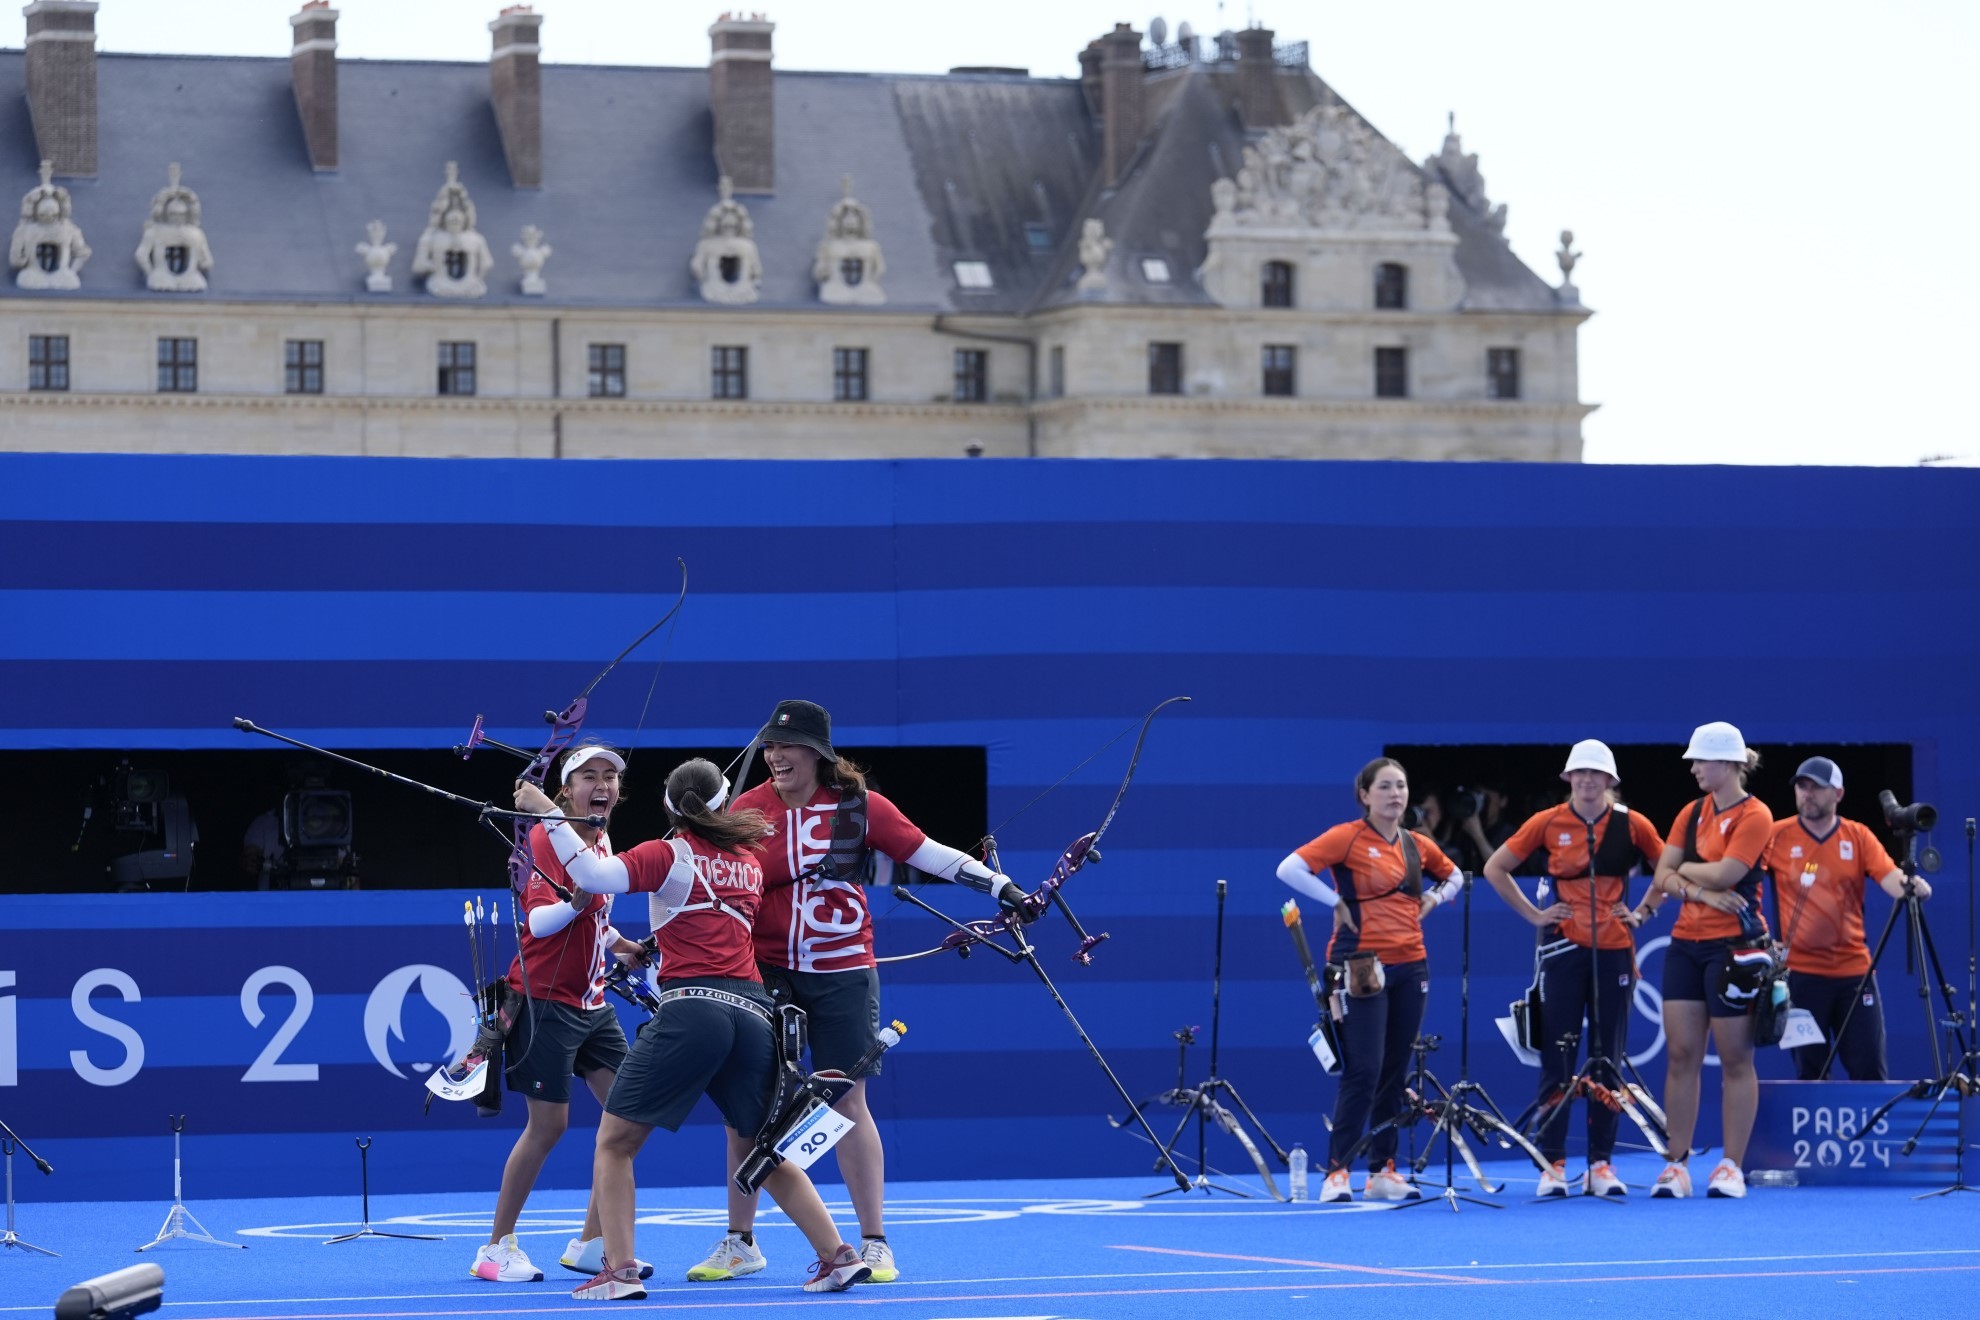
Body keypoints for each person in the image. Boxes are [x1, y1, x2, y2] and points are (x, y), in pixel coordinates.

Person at [692, 699, 1032, 1286]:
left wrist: (1000, 885)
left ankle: (874, 1243)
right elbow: (697, 870)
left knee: (848, 1103)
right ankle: (739, 1242)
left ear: (817, 753)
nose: (775, 755)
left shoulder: (861, 806)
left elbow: (931, 855)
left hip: (844, 971)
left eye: (787, 745)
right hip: (765, 971)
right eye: (770, 746)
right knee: (747, 1106)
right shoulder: (748, 811)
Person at [518, 756, 874, 1299]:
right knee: (764, 1147)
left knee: (614, 1143)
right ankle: (838, 1256)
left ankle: (619, 1271)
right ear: (723, 804)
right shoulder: (749, 858)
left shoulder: (666, 854)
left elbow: (589, 877)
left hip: (693, 1012)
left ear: (669, 806)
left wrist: (546, 811)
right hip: (754, 1015)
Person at [472, 747, 649, 1284]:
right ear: (566, 791)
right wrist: (575, 903)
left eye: (611, 776)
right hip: (544, 1001)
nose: (602, 784)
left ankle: (594, 1244)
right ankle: (495, 1247)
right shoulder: (547, 839)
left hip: (593, 1005)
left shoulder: (599, 840)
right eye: (589, 776)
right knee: (549, 1126)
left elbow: (596, 919)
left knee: (628, 1117)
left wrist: (624, 945)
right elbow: (539, 922)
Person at [1481, 740, 1665, 1197]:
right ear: (1568, 780)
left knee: (1608, 1057)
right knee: (1557, 1057)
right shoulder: (1548, 822)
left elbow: (1670, 870)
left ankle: (1601, 1166)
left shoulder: (1632, 823)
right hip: (1562, 949)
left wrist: (1642, 913)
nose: (1586, 780)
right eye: (1578, 773)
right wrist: (1535, 915)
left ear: (1609, 780)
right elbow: (1495, 867)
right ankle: (1552, 1165)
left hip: (1616, 948)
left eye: (1595, 773)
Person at [1276, 757, 1464, 1203]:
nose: (1395, 794)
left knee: (1395, 1070)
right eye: (1384, 787)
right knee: (1363, 1069)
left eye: (1400, 786)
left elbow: (1455, 875)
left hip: (1411, 963)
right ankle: (1336, 1172)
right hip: (1360, 965)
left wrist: (1436, 898)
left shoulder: (1417, 844)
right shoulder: (1348, 837)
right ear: (1364, 795)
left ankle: (1383, 1170)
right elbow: (1289, 868)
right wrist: (1335, 902)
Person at [1633, 721, 1773, 1200]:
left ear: (1728, 764)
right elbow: (1663, 875)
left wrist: (1683, 874)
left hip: (1734, 948)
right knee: (1681, 1055)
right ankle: (1677, 1164)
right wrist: (1696, 890)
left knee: (1736, 1057)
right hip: (1685, 945)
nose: (1693, 769)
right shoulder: (1690, 813)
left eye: (1701, 761)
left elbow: (1728, 872)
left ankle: (1731, 1166)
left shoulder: (1757, 815)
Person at [1763, 756, 1925, 1081]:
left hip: (1854, 975)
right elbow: (1743, 877)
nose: (1807, 794)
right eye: (1802, 787)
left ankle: (1873, 1134)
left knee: (1869, 1071)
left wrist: (1909, 886)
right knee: (1810, 1072)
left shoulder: (1857, 836)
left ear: (1837, 794)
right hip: (1801, 977)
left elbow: (1888, 875)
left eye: (1816, 788)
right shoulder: (1776, 835)